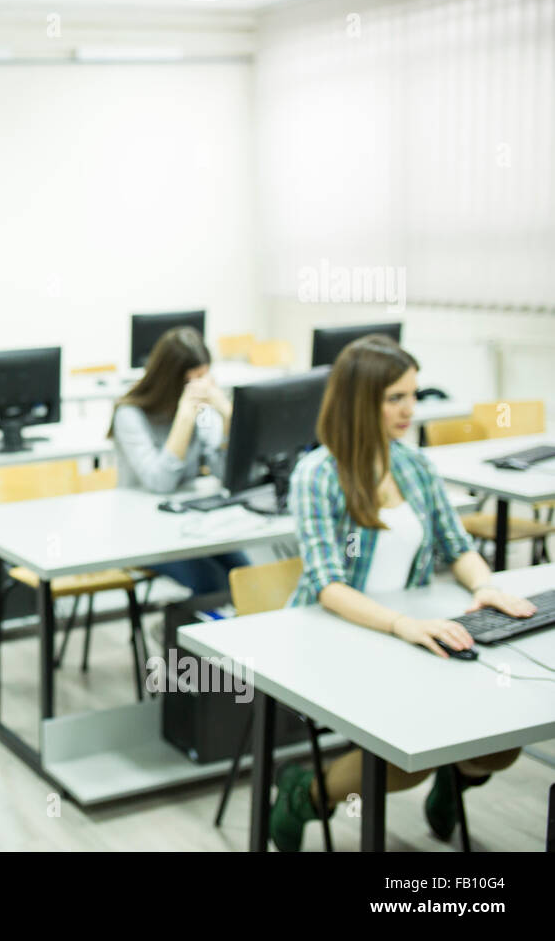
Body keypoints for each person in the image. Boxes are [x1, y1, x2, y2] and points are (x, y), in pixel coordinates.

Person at [270, 333, 533, 851]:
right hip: (336, 634)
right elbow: (328, 585)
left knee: (503, 745)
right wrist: (401, 625)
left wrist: (486, 586)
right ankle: (307, 795)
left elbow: (457, 547)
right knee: (407, 762)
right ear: (359, 401)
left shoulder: (414, 465)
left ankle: (453, 778)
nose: (410, 409)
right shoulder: (318, 474)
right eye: (395, 398)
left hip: (410, 626)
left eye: (413, 394)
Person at [109, 325, 247, 594]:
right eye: (195, 380)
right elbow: (160, 482)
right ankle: (177, 631)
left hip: (187, 523)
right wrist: (184, 417)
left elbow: (223, 471)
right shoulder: (130, 414)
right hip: (142, 530)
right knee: (211, 584)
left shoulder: (202, 410)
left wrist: (228, 415)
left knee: (246, 577)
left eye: (206, 377)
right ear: (172, 380)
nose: (202, 387)